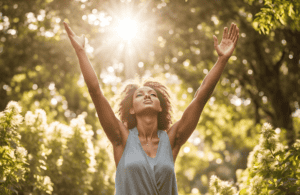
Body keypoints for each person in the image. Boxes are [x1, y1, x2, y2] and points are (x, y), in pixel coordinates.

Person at [64, 21, 239, 194]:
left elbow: (201, 98)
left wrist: (222, 60)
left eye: (153, 94)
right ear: (131, 109)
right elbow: (95, 92)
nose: (147, 95)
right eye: (139, 95)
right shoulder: (121, 138)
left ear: (160, 107)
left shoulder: (171, 141)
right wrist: (81, 52)